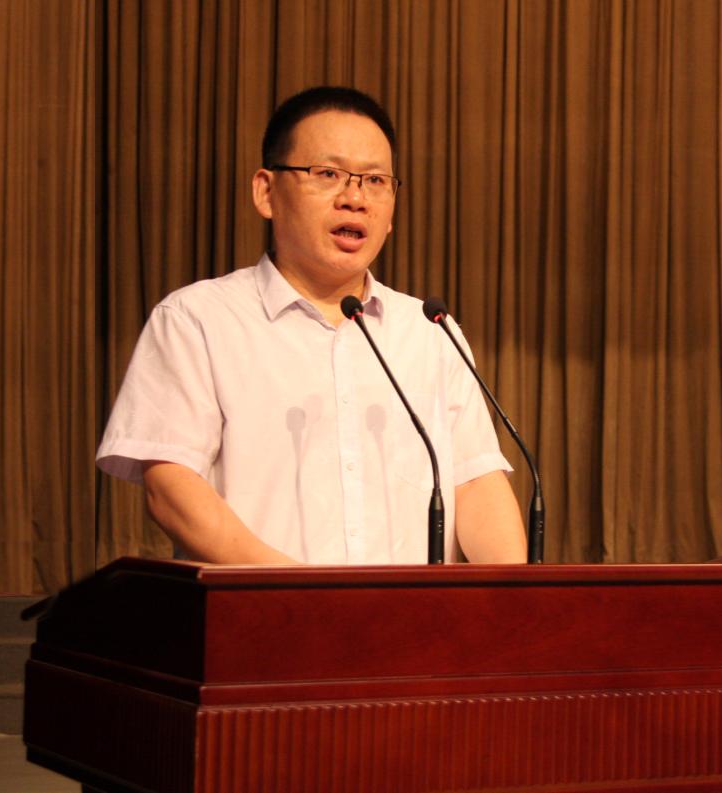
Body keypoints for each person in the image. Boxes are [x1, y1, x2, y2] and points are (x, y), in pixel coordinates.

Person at [96, 86, 526, 565]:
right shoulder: (196, 320)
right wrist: (301, 593)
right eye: (328, 174)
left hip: (414, 614)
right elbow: (171, 487)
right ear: (266, 192)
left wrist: (512, 596)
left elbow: (476, 483)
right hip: (263, 609)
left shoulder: (429, 330)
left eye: (375, 180)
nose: (355, 198)